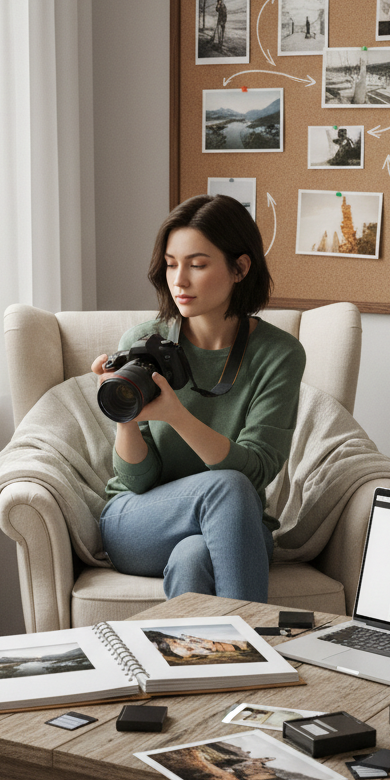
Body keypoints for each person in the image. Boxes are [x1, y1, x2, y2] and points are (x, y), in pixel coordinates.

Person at [92, 194, 306, 602]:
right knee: (225, 488)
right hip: (139, 520)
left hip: (235, 524)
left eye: (198, 264)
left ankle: (203, 663)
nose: (179, 281)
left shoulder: (279, 355)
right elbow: (137, 480)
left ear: (240, 268)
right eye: (172, 264)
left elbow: (256, 470)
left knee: (193, 556)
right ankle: (255, 655)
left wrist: (176, 415)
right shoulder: (141, 343)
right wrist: (123, 413)